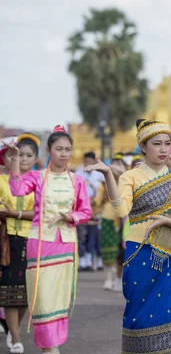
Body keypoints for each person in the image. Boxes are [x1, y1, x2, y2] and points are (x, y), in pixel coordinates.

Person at [86, 119, 171, 354]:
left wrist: (170, 221)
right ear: (143, 146)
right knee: (139, 310)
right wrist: (109, 175)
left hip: (169, 253)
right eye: (156, 144)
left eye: (167, 144)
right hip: (140, 251)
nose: (163, 149)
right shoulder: (131, 177)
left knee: (169, 312)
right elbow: (121, 210)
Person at [7, 126, 92, 353]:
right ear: (49, 150)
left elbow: (85, 212)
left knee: (60, 293)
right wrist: (15, 161)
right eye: (59, 149)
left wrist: (69, 216)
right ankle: (47, 346)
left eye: (67, 149)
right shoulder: (37, 176)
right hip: (40, 240)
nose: (64, 154)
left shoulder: (77, 181)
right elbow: (16, 190)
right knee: (42, 293)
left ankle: (53, 343)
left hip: (65, 241)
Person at [0, 133, 39, 354]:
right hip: (8, 240)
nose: (23, 159)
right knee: (9, 289)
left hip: (33, 239)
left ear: (35, 158)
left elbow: (40, 214)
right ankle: (15, 335)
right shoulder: (2, 180)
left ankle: (12, 328)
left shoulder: (39, 181)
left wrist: (13, 212)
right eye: (19, 155)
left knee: (26, 292)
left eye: (28, 155)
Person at [99, 155, 127, 290]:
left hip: (123, 219)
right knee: (107, 249)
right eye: (114, 163)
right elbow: (99, 200)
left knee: (120, 252)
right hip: (108, 218)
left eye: (119, 164)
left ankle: (118, 278)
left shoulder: (127, 179)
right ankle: (108, 278)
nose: (116, 166)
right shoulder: (104, 183)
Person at [76, 152, 103, 272]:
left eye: (90, 161)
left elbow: (104, 192)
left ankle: (90, 259)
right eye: (86, 160)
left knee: (93, 236)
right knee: (81, 235)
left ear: (94, 162)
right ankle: (82, 261)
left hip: (96, 210)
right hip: (81, 208)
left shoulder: (100, 175)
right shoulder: (78, 174)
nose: (88, 163)